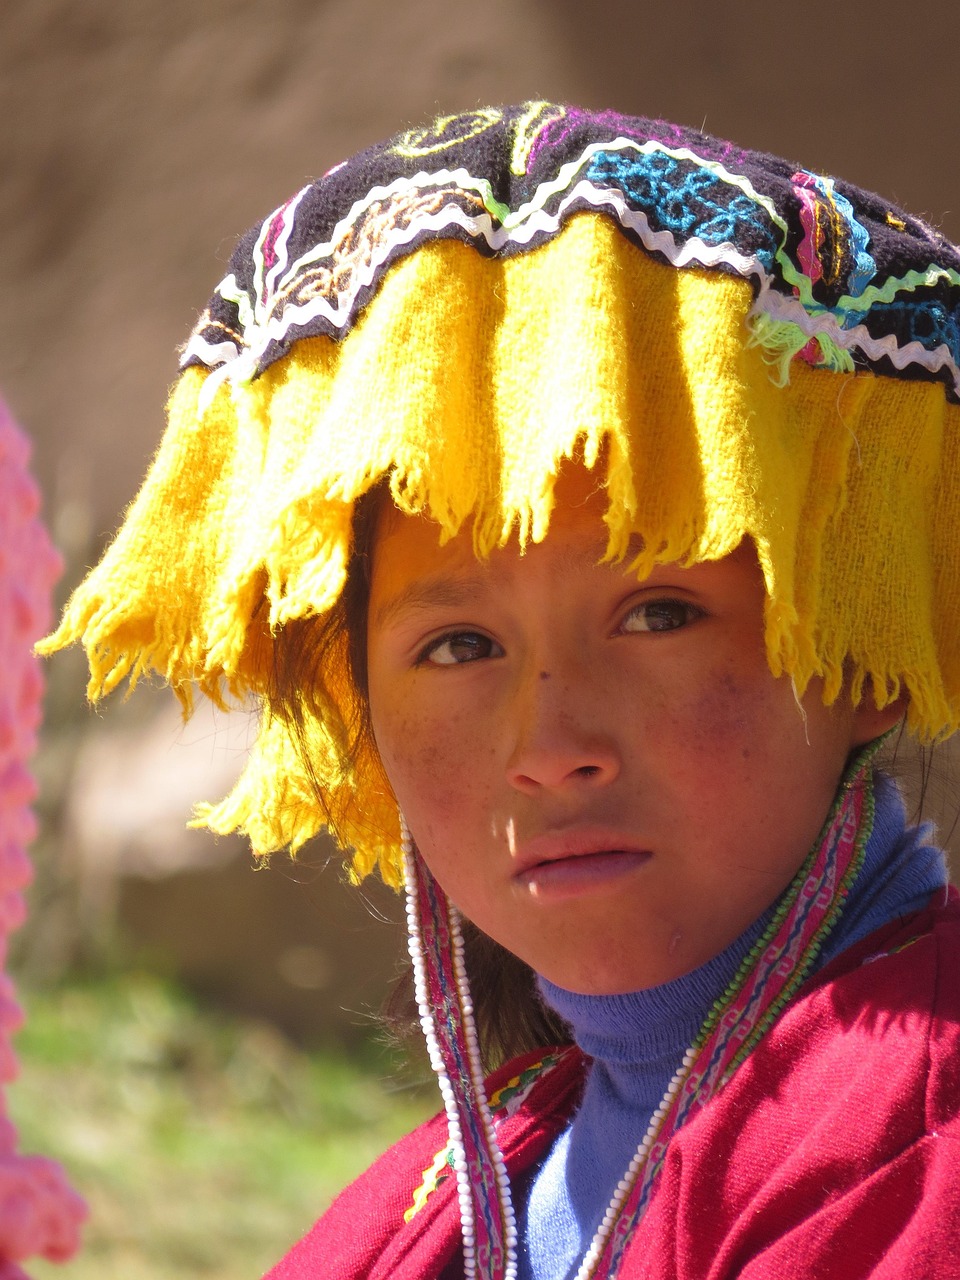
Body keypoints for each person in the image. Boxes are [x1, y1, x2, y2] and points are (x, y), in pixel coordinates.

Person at [40, 103, 960, 1278]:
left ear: (859, 645)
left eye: (660, 615)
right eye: (460, 645)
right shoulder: (428, 1208)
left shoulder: (914, 1158)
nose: (550, 744)